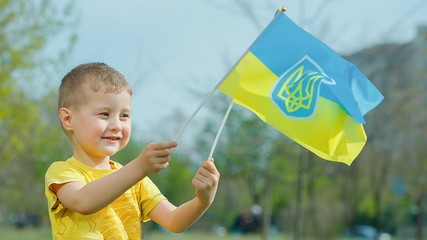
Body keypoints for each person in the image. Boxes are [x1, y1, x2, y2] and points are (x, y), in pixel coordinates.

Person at [44, 62, 220, 239]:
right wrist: (140, 167)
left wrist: (202, 201)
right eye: (104, 114)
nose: (116, 125)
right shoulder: (62, 172)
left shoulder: (137, 181)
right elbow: (83, 202)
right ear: (68, 119)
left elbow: (174, 221)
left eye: (124, 116)